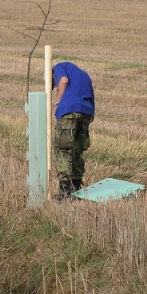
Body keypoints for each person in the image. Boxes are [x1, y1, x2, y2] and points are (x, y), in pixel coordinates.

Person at [52, 61, 95, 200]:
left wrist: (59, 103)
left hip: (69, 110)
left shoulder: (59, 68)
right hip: (86, 112)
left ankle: (65, 190)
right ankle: (76, 186)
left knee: (63, 148)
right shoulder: (83, 74)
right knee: (76, 148)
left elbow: (63, 81)